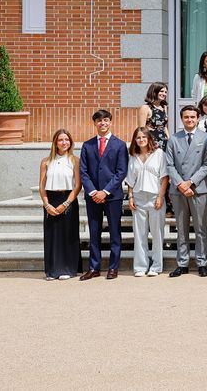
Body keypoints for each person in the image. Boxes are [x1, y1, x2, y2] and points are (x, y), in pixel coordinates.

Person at [78, 110, 128, 281]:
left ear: (110, 122)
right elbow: (83, 172)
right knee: (94, 232)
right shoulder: (87, 145)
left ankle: (113, 267)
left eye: (105, 120)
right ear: (94, 123)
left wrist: (105, 191)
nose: (102, 123)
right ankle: (94, 267)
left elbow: (121, 172)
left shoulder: (120, 145)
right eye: (99, 121)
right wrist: (93, 192)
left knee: (115, 232)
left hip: (112, 195)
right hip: (93, 197)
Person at [166, 105, 207, 278]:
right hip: (178, 191)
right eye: (186, 117)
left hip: (198, 189)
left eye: (193, 117)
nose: (190, 120)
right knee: (181, 228)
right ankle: (182, 263)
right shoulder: (173, 139)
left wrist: (190, 182)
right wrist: (180, 184)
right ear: (181, 119)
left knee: (200, 228)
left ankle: (202, 262)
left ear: (198, 118)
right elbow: (169, 165)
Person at [124, 126, 168, 277]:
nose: (141, 140)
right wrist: (130, 197)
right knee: (140, 234)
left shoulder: (159, 154)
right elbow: (130, 180)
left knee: (157, 234)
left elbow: (164, 178)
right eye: (138, 138)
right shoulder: (133, 156)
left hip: (155, 197)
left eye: (144, 137)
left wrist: (160, 197)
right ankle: (140, 266)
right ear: (135, 140)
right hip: (138, 198)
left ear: (149, 138)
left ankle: (156, 266)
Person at [39, 129, 81, 280]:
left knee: (67, 235)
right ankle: (51, 271)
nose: (64, 142)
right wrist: (46, 205)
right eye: (61, 140)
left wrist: (66, 203)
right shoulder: (45, 161)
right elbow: (42, 187)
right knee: (52, 236)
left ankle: (67, 269)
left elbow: (77, 186)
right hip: (50, 200)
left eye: (67, 140)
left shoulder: (75, 160)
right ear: (55, 143)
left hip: (68, 199)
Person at [138, 82, 169, 152]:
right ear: (154, 91)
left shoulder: (164, 107)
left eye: (165, 92)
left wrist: (169, 140)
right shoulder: (145, 108)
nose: (164, 94)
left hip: (164, 142)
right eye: (161, 91)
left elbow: (164, 127)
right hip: (151, 142)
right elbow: (141, 129)